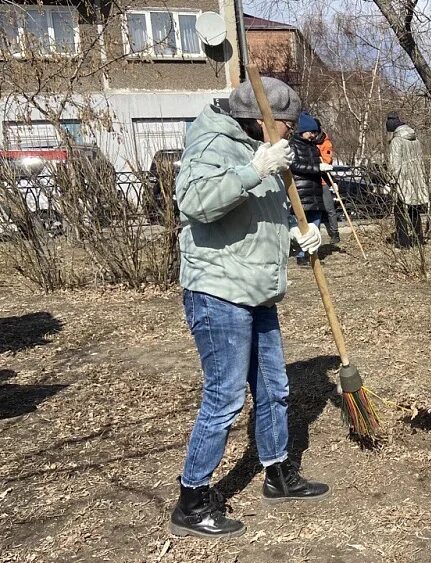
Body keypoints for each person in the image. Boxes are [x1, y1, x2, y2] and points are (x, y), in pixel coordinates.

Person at [170, 77, 330, 539]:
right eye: (286, 125)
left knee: (275, 387)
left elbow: (258, 219)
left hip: (255, 288)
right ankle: (192, 499)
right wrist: (254, 169)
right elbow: (195, 202)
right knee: (224, 398)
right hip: (219, 291)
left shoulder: (260, 149)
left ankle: (278, 473)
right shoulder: (215, 143)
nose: (290, 134)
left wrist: (298, 238)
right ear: (263, 121)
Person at [289, 112, 331, 264]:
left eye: (314, 132)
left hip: (315, 191)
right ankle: (302, 255)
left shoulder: (313, 147)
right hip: (300, 191)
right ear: (302, 131)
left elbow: (319, 168)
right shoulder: (292, 145)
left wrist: (331, 181)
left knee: (315, 224)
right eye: (311, 132)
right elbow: (294, 166)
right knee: (303, 226)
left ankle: (312, 254)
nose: (313, 135)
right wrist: (317, 167)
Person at [386, 111, 430, 248]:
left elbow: (395, 164)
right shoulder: (415, 140)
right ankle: (418, 239)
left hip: (402, 181)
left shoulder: (396, 141)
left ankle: (403, 243)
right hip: (416, 180)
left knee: (399, 212)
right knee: (414, 210)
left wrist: (391, 181)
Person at [316, 123, 342, 248]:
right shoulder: (306, 141)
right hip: (311, 180)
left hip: (323, 181)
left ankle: (335, 232)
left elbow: (327, 160)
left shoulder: (326, 143)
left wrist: (318, 156)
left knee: (329, 208)